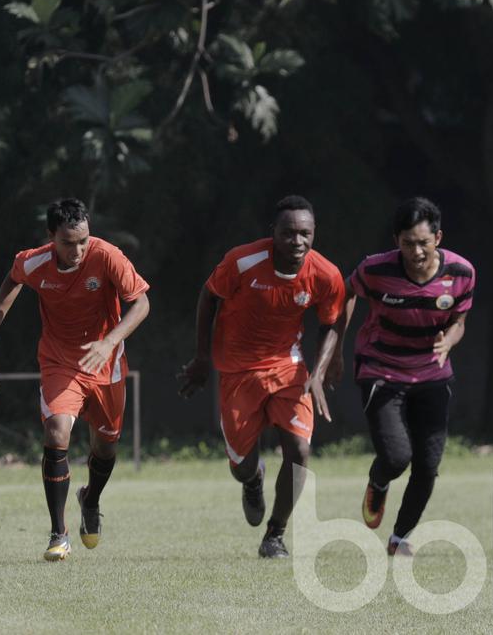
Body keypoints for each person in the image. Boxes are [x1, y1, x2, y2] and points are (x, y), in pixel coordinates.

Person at [0, 198, 150, 562]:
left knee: (105, 448)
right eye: (68, 243)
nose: (77, 250)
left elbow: (142, 304)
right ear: (51, 237)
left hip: (107, 364)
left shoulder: (107, 256)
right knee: (57, 430)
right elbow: (13, 279)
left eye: (83, 241)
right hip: (59, 361)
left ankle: (91, 500)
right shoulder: (33, 261)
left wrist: (109, 341)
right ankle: (59, 533)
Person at [177, 195, 345, 558]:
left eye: (305, 233)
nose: (297, 242)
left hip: (288, 368)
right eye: (288, 233)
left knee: (300, 450)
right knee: (241, 466)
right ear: (274, 233)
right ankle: (253, 479)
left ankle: (275, 535)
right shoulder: (242, 261)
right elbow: (209, 297)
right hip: (238, 372)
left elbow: (332, 322)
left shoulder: (325, 274)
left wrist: (318, 372)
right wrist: (203, 357)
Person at [339, 197, 475, 556]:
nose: (416, 251)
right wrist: (337, 345)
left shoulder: (462, 273)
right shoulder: (375, 269)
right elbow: (348, 292)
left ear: (438, 238)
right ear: (395, 240)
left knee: (428, 466)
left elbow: (459, 322)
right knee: (398, 457)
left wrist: (449, 341)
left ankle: (400, 538)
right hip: (381, 369)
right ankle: (378, 480)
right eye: (407, 243)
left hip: (432, 373)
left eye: (423, 243)